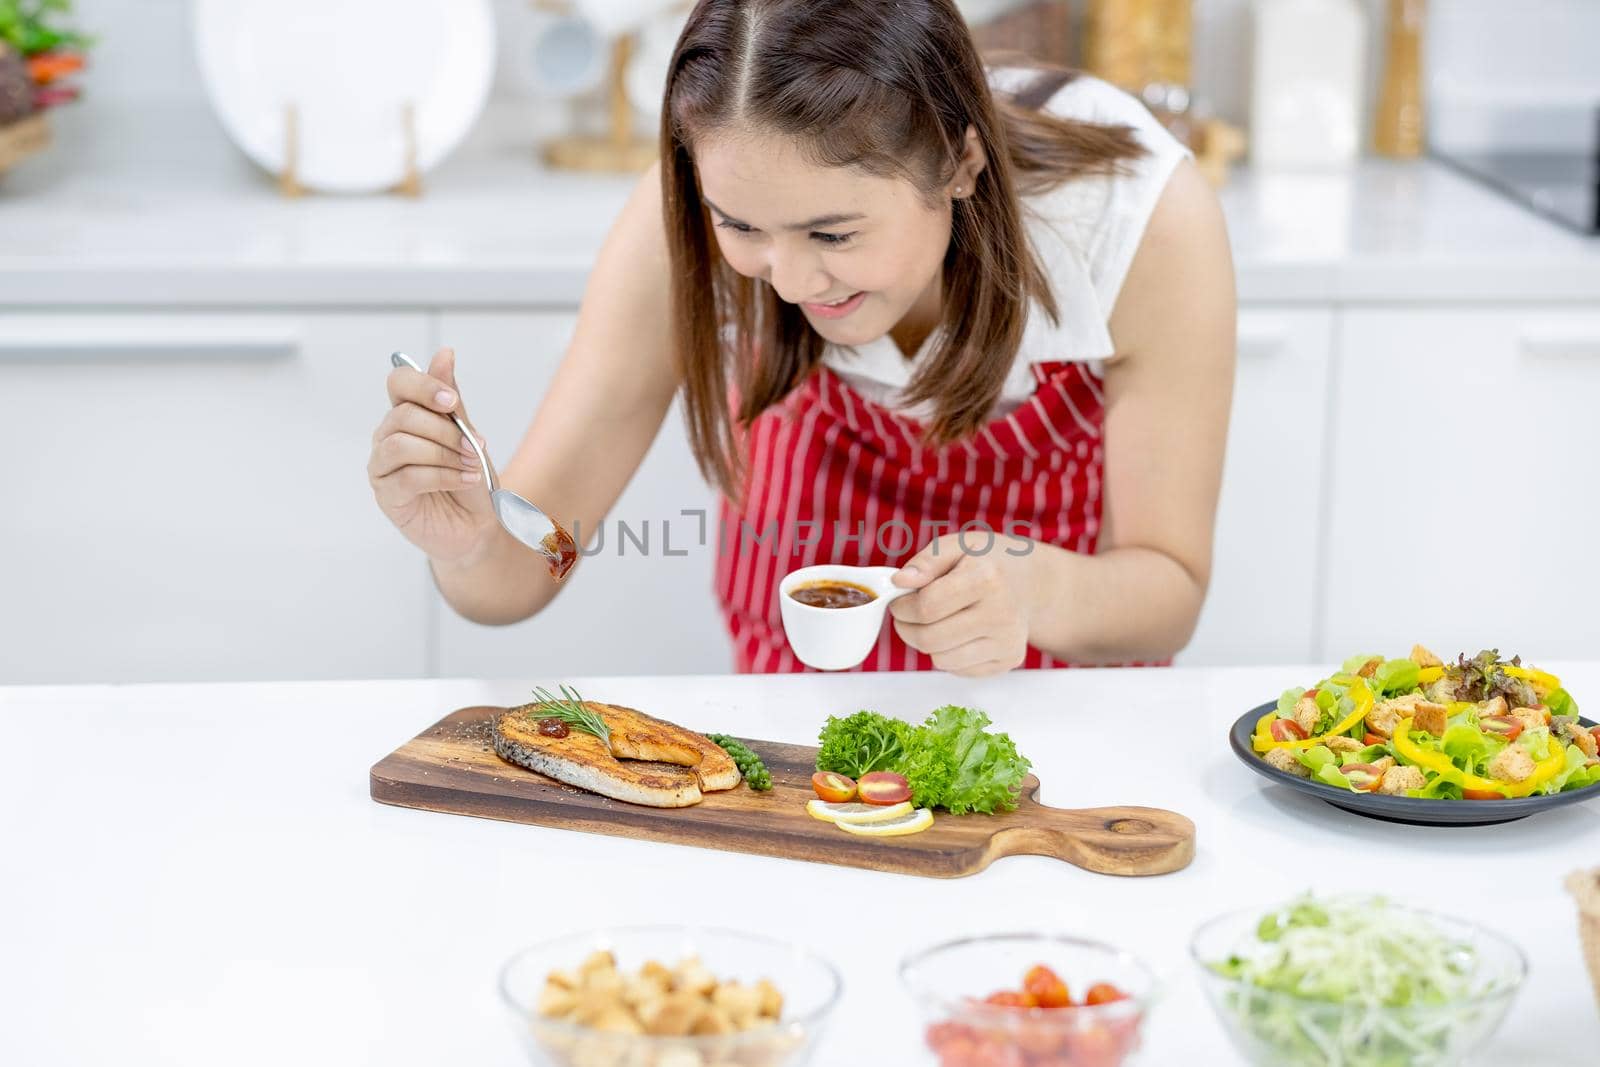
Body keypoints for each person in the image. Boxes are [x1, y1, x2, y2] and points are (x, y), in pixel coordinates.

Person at [367, 0, 1235, 677]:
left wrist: (1046, 591)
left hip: (1059, 711)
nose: (784, 281)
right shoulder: (684, 220)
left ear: (961, 162)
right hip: (796, 723)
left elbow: (1171, 589)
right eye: (740, 226)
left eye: (832, 235)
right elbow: (521, 573)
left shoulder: (1136, 217)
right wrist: (471, 540)